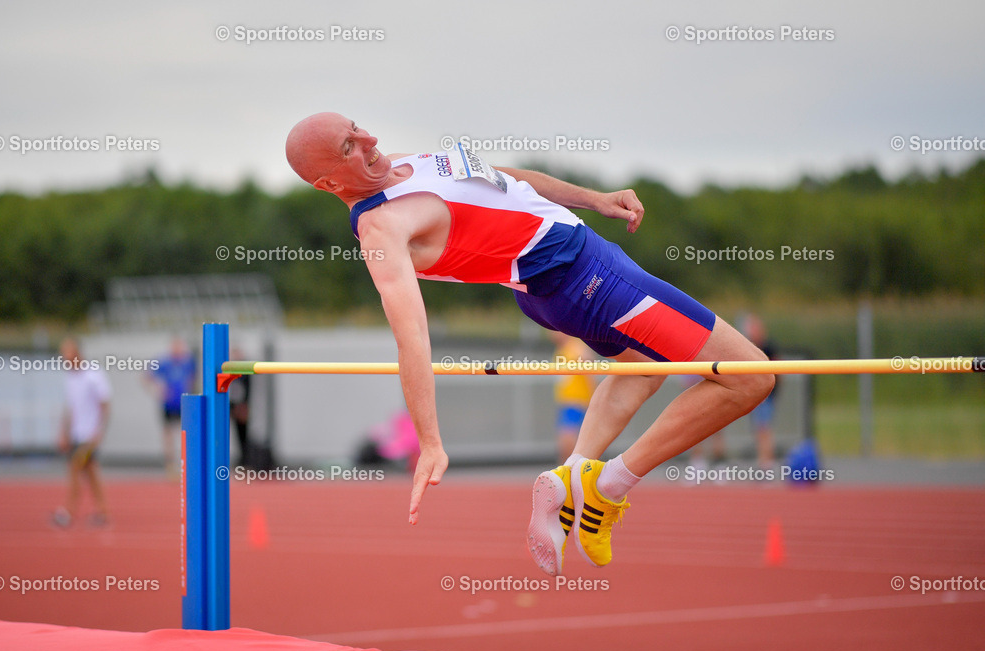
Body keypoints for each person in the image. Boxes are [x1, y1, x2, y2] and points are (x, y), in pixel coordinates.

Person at [284, 113, 774, 576]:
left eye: (357, 129)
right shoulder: (381, 229)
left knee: (644, 366)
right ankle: (607, 485)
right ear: (328, 183)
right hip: (589, 281)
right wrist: (430, 440)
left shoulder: (409, 163)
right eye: (350, 146)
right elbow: (410, 336)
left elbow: (506, 180)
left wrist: (594, 199)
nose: (369, 141)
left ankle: (570, 478)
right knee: (751, 376)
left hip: (564, 282)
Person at [54, 338, 111, 528]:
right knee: (91, 474)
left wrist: (99, 431)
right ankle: (102, 512)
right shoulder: (71, 377)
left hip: (89, 435)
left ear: (77, 352)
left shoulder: (93, 375)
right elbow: (71, 408)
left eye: (67, 353)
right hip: (77, 434)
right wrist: (64, 432)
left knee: (74, 469)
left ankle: (68, 511)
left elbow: (105, 404)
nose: (64, 358)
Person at [145, 337, 196, 480]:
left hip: (183, 403)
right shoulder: (164, 362)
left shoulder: (188, 362)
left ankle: (187, 464)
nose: (178, 350)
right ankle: (170, 466)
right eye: (175, 347)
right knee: (168, 435)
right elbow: (147, 377)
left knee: (185, 433)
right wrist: (158, 391)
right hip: (168, 404)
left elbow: (193, 377)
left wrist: (190, 390)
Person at [740, 312, 778, 469]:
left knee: (764, 428)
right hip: (755, 394)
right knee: (759, 429)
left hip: (766, 395)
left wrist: (770, 391)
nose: (751, 331)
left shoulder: (768, 347)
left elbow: (778, 371)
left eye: (754, 328)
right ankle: (763, 460)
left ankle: (766, 462)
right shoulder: (748, 346)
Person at [551, 332, 596, 464]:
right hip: (566, 401)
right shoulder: (562, 349)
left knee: (568, 438)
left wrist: (593, 397)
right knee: (566, 439)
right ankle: (568, 468)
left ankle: (571, 468)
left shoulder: (575, 347)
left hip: (577, 401)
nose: (551, 334)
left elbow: (589, 366)